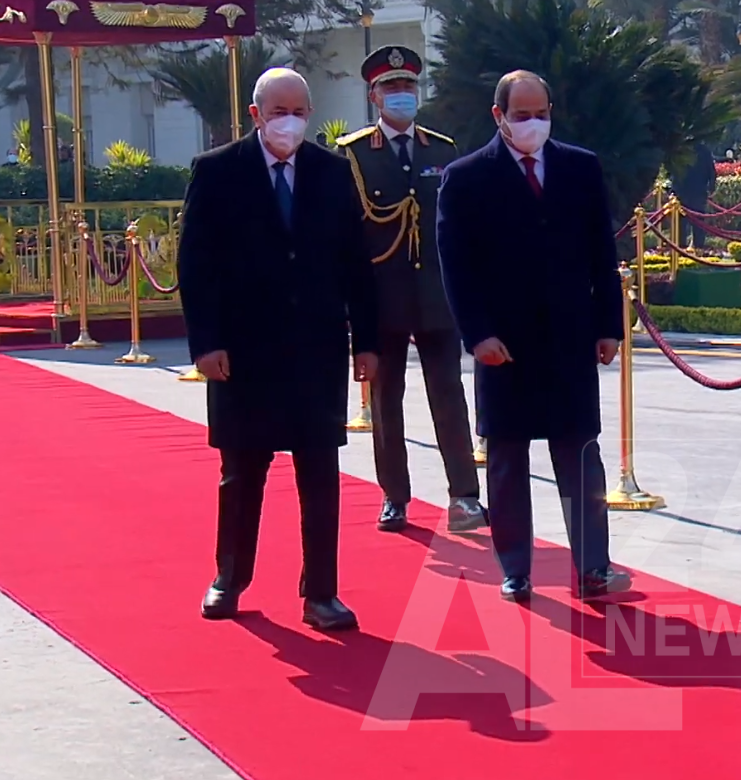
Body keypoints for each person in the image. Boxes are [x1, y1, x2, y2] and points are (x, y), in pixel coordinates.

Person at [177, 67, 380, 632]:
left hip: (315, 349)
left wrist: (367, 341)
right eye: (279, 111)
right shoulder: (218, 172)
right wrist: (206, 343)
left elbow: (355, 266)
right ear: (255, 114)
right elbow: (195, 265)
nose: (289, 122)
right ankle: (229, 579)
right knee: (243, 472)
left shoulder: (333, 173)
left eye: (299, 111)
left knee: (320, 474)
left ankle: (321, 594)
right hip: (244, 352)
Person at [435, 70, 630, 603]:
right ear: (499, 117)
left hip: (568, 337)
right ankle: (516, 567)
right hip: (504, 343)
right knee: (507, 458)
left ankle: (593, 567)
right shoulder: (467, 177)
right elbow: (457, 266)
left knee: (579, 455)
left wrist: (609, 325)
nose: (533, 124)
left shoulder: (579, 168)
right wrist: (477, 335)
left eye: (541, 113)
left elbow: (600, 254)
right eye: (522, 116)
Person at [335, 45, 486, 534]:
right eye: (391, 87)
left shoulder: (442, 150)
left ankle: (464, 496)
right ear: (374, 95)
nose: (402, 94)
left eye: (408, 86)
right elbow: (350, 236)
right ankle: (394, 495)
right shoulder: (354, 154)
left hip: (437, 296)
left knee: (449, 395)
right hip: (383, 299)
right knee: (386, 401)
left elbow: (459, 226)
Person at [670, 142, 716, 248]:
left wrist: (673, 188)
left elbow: (674, 171)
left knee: (682, 223)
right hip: (697, 191)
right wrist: (711, 188)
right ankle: (697, 246)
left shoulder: (680, 149)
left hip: (684, 191)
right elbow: (711, 172)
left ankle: (680, 247)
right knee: (697, 222)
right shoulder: (704, 150)